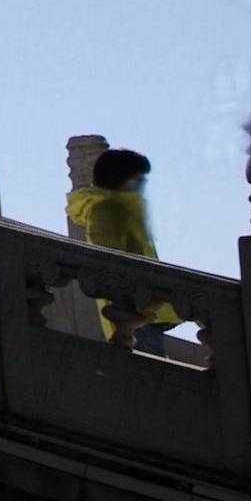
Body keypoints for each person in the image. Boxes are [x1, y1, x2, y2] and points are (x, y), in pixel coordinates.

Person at [66, 147, 185, 351]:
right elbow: (111, 261)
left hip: (148, 314)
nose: (143, 184)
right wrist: (144, 300)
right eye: (138, 179)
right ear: (119, 179)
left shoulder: (127, 209)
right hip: (137, 315)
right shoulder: (105, 210)